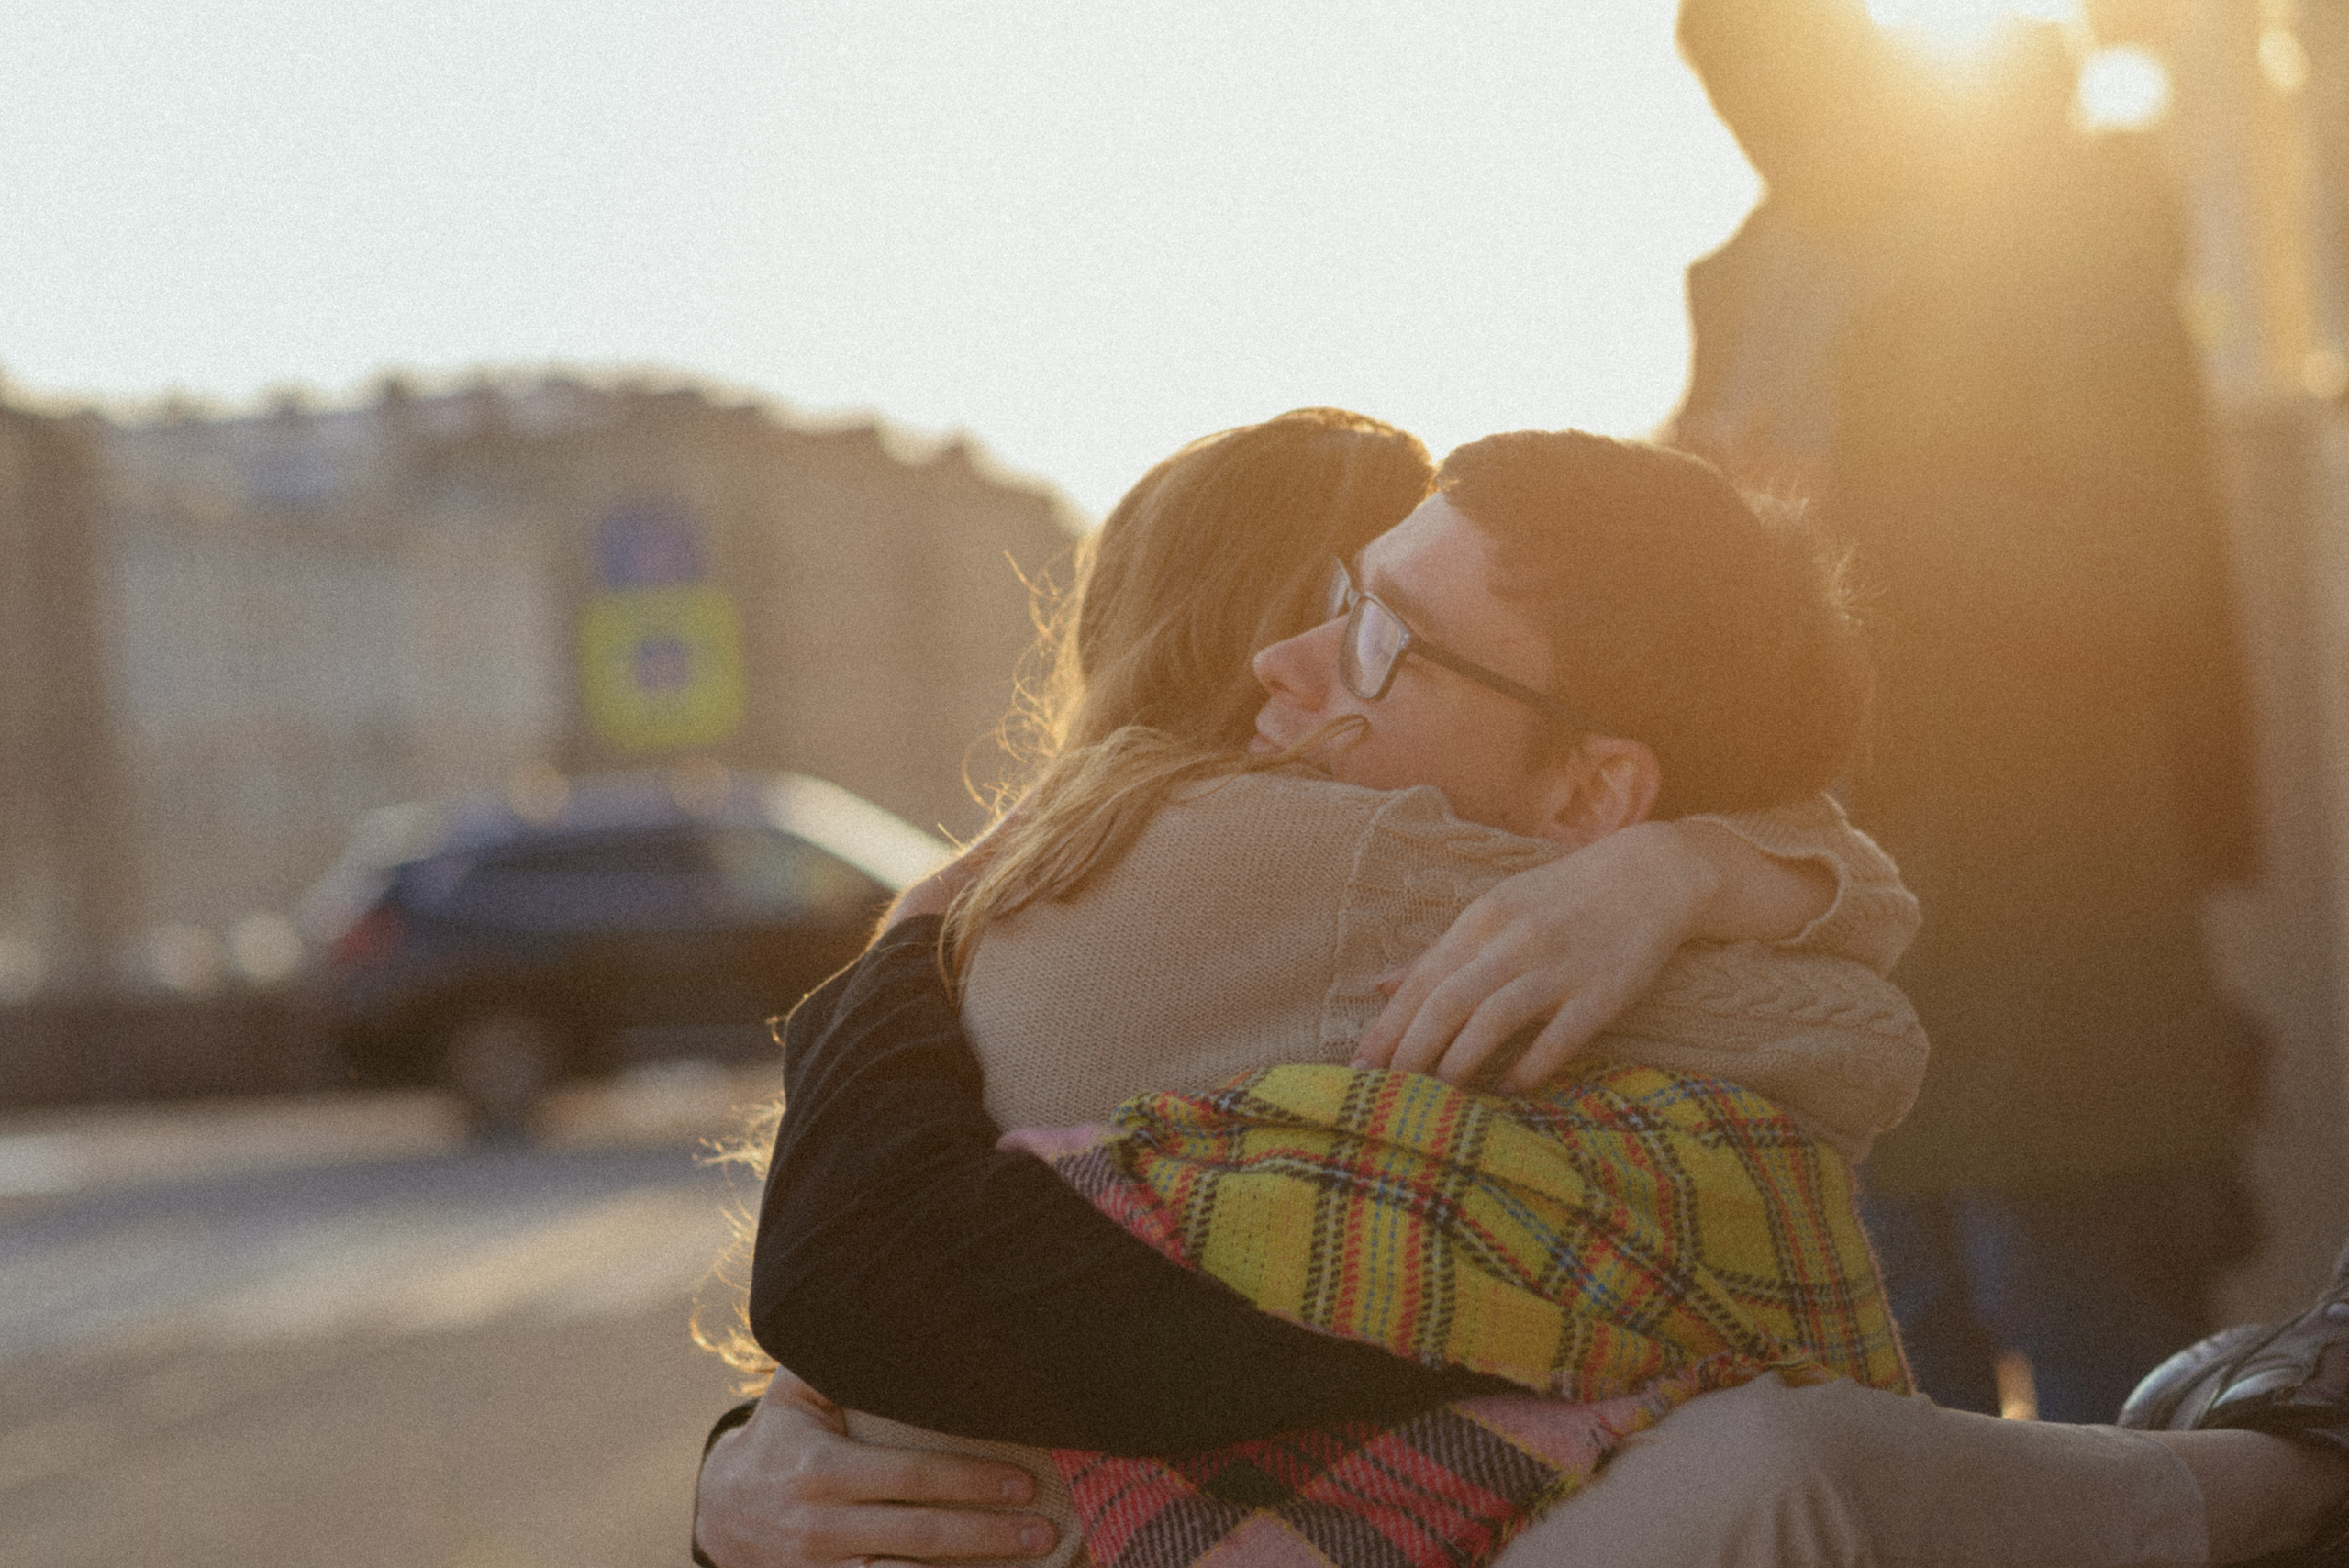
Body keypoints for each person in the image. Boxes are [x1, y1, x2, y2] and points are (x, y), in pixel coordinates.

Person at [698, 429, 2349, 1566]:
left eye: (1369, 633)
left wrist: (729, 1471)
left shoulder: (1043, 875)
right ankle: (2274, 1475)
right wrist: (1683, 870)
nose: (1305, 666)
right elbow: (1858, 1038)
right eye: (1336, 606)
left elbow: (876, 1269)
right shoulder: (1302, 860)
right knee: (1783, 1464)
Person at [1670, 0, 2264, 1422]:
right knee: (1903, 1435)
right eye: (1727, 87)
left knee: (2113, 1418)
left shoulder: (2053, 237)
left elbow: (2145, 558)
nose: (1764, 122)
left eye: (1786, 78)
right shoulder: (1746, 275)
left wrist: (1852, 505)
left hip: (2049, 952)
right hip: (1835, 970)